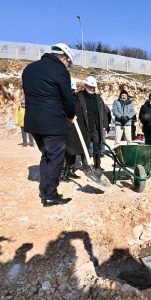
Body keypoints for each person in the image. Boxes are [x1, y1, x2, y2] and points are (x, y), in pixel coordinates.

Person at [22, 43, 75, 206]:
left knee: (46, 155)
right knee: (55, 159)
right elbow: (68, 98)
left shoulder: (29, 69)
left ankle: (45, 190)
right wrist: (71, 115)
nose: (68, 66)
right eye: (69, 63)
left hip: (33, 122)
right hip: (52, 123)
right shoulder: (61, 71)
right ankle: (50, 195)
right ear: (64, 57)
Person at [75, 76, 106, 175]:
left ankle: (97, 165)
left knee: (97, 146)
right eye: (90, 86)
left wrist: (105, 124)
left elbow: (104, 111)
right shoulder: (79, 96)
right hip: (85, 127)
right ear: (85, 85)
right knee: (86, 147)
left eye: (93, 87)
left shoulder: (98, 98)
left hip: (96, 127)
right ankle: (86, 166)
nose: (92, 89)